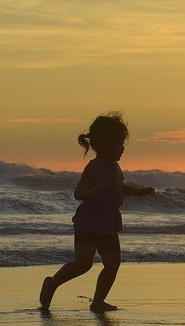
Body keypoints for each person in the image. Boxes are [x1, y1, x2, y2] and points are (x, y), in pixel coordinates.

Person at [40, 113, 155, 313]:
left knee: (113, 263)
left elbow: (119, 187)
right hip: (90, 220)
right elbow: (78, 192)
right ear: (102, 145)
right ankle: (52, 282)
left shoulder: (115, 166)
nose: (122, 149)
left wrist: (139, 192)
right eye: (117, 144)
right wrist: (91, 192)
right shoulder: (94, 168)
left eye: (122, 144)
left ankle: (98, 301)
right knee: (83, 264)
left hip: (108, 221)